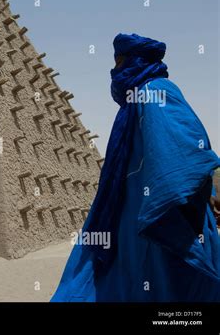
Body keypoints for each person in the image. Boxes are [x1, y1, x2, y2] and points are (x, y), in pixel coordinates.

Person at [51, 33, 220, 302]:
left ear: (135, 61)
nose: (115, 70)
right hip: (129, 214)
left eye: (119, 63)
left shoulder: (156, 91)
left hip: (161, 213)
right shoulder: (134, 101)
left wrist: (165, 198)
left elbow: (187, 146)